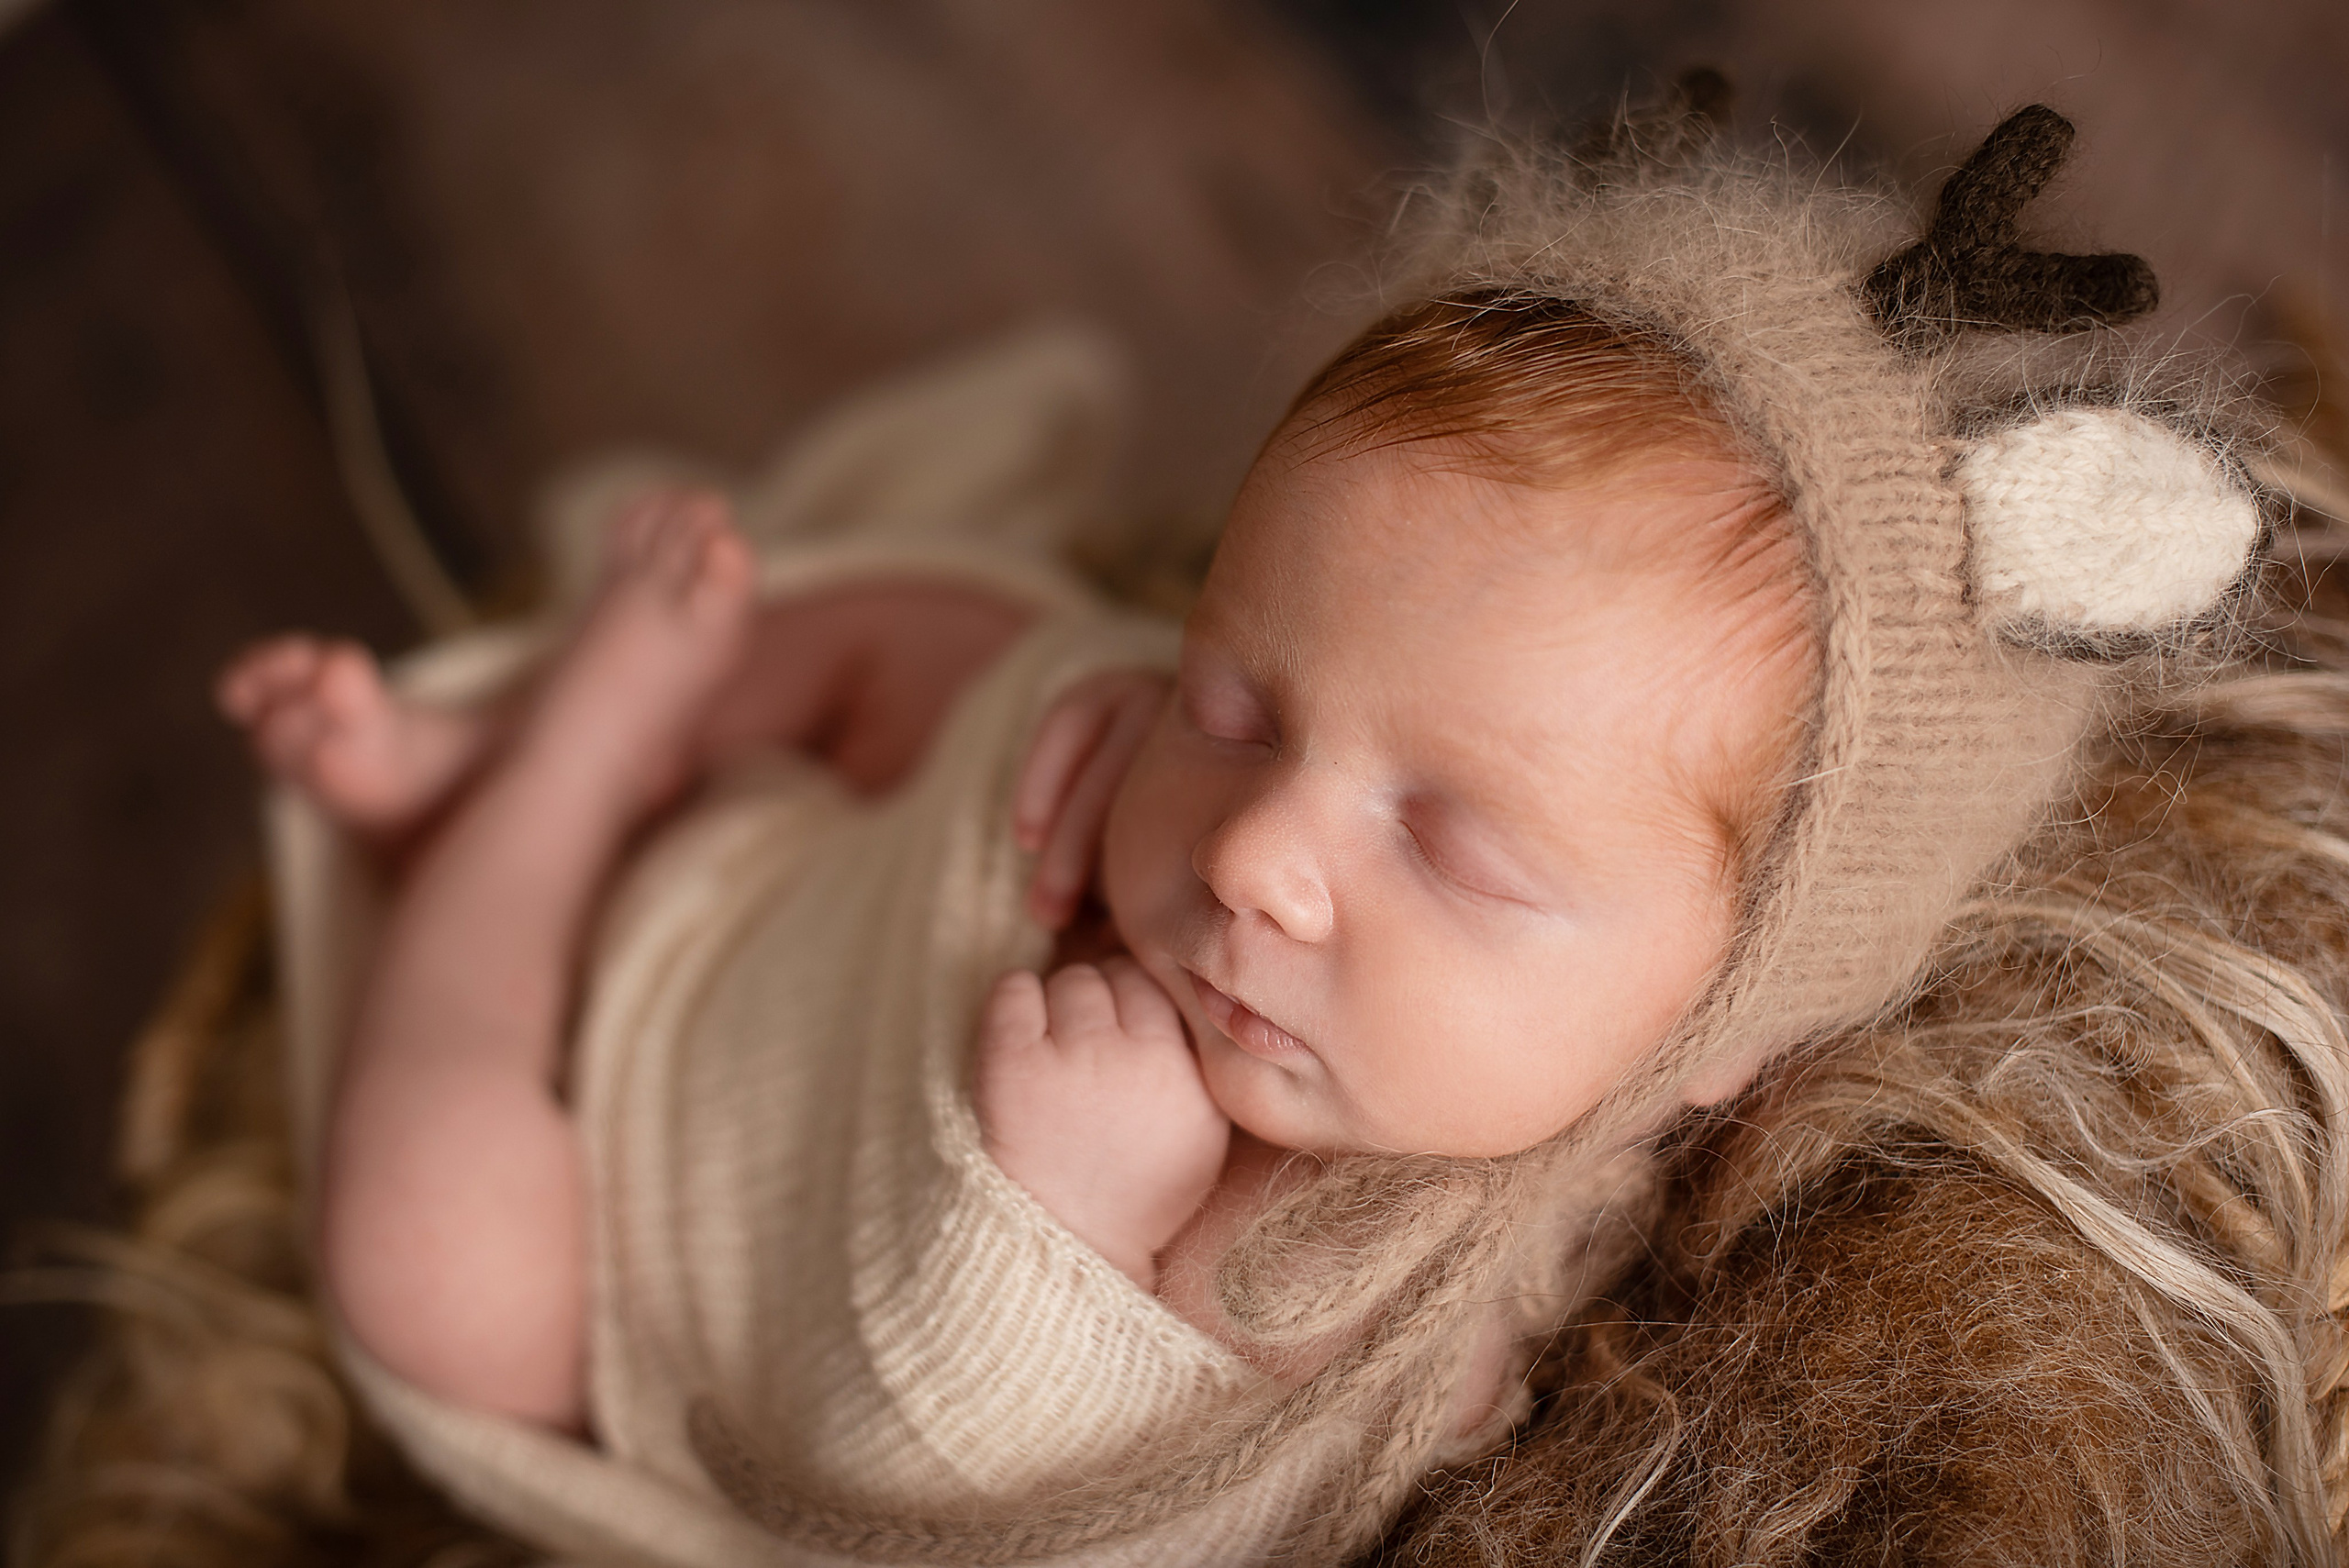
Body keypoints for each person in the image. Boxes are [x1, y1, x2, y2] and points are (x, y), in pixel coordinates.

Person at [223, 100, 2300, 1565]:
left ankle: (551, 787)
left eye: (1457, 848)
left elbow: (955, 1501)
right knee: (960, 641)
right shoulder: (1215, 814)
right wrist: (1108, 706)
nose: (1247, 852)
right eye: (1244, 692)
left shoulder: (1367, 1289)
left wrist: (1058, 1239)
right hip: (784, 885)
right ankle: (571, 746)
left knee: (432, 1276)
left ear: (1729, 1018)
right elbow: (1140, 701)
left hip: (648, 1234)